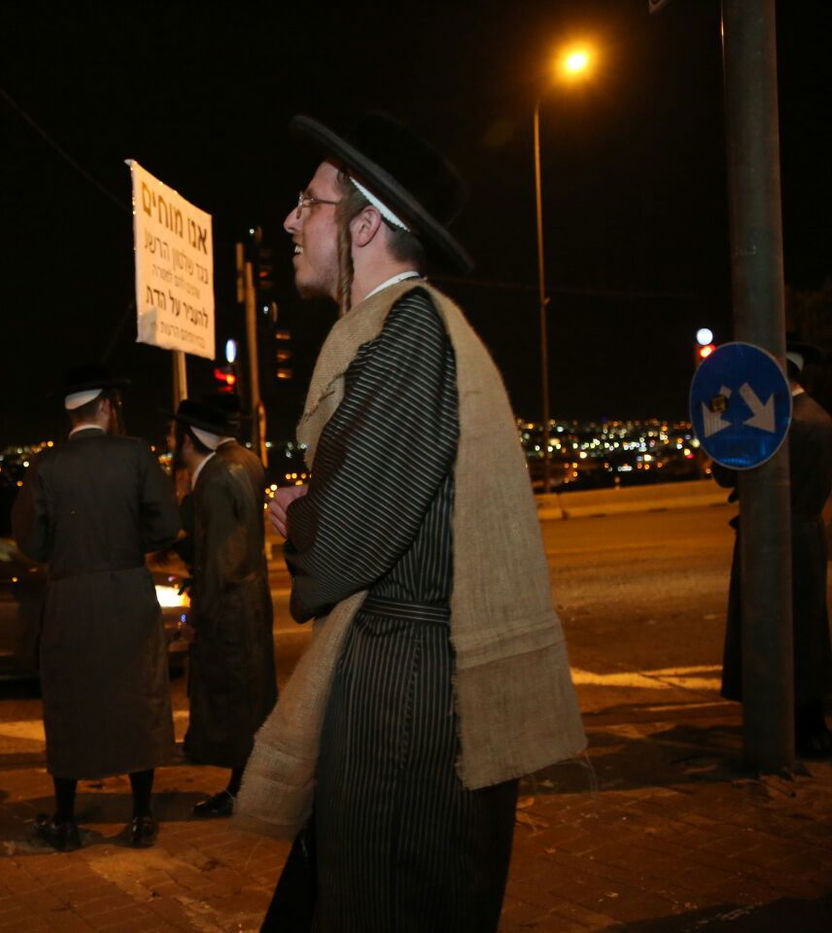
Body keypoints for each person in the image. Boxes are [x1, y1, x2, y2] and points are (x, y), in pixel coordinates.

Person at [233, 113, 586, 930]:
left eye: (309, 203)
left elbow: (345, 546)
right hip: (405, 683)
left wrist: (306, 518)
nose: (290, 221)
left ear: (364, 226)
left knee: (388, 900)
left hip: (404, 703)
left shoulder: (410, 334)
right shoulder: (403, 334)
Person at [12, 364, 181, 850]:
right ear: (107, 406)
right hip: (127, 592)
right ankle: (141, 814)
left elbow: (31, 541)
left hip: (69, 598)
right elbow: (166, 524)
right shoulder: (135, 454)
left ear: (71, 414)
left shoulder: (47, 464)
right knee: (138, 697)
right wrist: (127, 544)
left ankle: (66, 818)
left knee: (70, 701)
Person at [717, 338, 832, 758]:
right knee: (807, 629)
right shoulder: (819, 417)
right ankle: (809, 724)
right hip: (807, 534)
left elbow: (727, 473)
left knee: (772, 629)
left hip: (771, 540)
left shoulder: (780, 424)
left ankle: (786, 726)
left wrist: (726, 420)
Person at [171, 397, 275, 817]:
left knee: (232, 703)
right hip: (250, 601)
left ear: (188, 438)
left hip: (228, 609)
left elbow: (219, 559)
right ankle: (245, 787)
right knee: (250, 698)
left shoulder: (216, 474)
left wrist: (198, 618)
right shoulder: (247, 461)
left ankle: (240, 792)